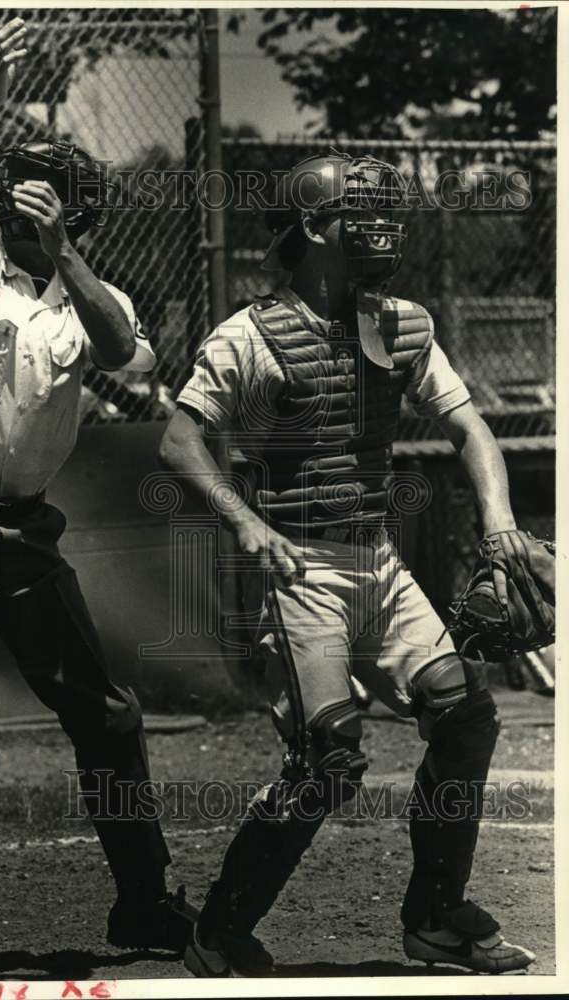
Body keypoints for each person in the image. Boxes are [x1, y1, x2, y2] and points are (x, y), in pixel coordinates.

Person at [159, 150, 538, 976]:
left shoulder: (401, 322)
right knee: (330, 756)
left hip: (380, 565)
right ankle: (219, 931)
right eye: (360, 211)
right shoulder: (252, 334)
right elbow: (180, 439)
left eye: (384, 210)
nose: (382, 226)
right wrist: (246, 525)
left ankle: (436, 918)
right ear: (313, 228)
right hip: (304, 574)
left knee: (465, 713)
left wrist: (501, 526)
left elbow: (470, 428)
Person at [0, 17, 194, 979]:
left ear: (77, 224)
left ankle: (145, 906)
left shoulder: (90, 299)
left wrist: (65, 255)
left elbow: (122, 354)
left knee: (109, 719)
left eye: (48, 206)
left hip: (27, 539)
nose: (23, 215)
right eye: (15, 200)